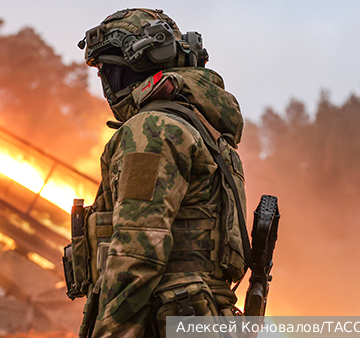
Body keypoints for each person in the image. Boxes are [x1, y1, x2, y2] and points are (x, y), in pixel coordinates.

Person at [77, 8, 247, 337]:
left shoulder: (154, 128)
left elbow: (137, 251)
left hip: (161, 319)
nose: (105, 84)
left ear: (129, 67)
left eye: (106, 71)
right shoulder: (205, 129)